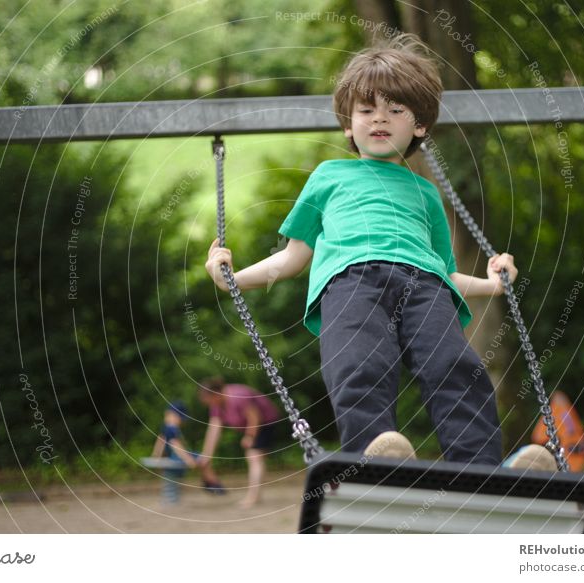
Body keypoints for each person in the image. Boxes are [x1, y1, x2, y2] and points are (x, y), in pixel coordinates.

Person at [205, 34, 555, 472]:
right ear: (348, 125)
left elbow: (446, 272)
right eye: (366, 110)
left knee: (455, 367)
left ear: (420, 126)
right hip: (351, 285)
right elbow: (293, 258)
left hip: (426, 287)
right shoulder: (329, 176)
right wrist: (232, 278)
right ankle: (374, 462)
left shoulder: (426, 193)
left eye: (395, 110)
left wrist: (492, 284)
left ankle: (482, 472)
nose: (379, 119)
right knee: (359, 367)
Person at [197, 377, 281, 508]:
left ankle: (253, 497)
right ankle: (256, 495)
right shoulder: (216, 404)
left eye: (206, 398)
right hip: (252, 423)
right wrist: (207, 454)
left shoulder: (238, 396)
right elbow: (214, 428)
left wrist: (249, 436)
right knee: (255, 458)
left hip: (265, 422)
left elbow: (254, 416)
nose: (206, 402)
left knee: (254, 457)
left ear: (214, 394)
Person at [150, 401, 196, 504]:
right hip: (176, 457)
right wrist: (188, 459)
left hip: (172, 457)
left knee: (171, 479)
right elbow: (175, 445)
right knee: (198, 457)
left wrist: (156, 455)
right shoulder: (172, 428)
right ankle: (171, 500)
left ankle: (170, 499)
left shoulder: (166, 427)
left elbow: (160, 441)